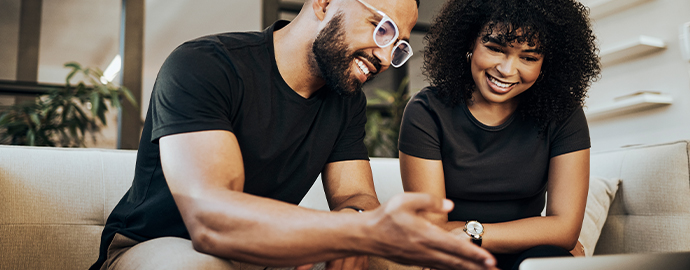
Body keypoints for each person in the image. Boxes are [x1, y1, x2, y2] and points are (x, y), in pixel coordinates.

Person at [90, 0, 498, 270]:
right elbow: (212, 222)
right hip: (159, 245)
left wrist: (353, 221)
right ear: (323, 2)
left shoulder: (344, 98)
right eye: (382, 28)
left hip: (263, 252)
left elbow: (355, 196)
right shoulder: (205, 65)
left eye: (400, 46)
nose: (386, 57)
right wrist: (355, 231)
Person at [398, 0, 601, 269]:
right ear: (471, 41)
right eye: (495, 48)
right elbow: (433, 228)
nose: (506, 70)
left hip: (527, 255)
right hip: (454, 258)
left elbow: (565, 230)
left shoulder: (563, 114)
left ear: (546, 62)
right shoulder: (426, 112)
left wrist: (471, 234)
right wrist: (542, 230)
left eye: (529, 57)